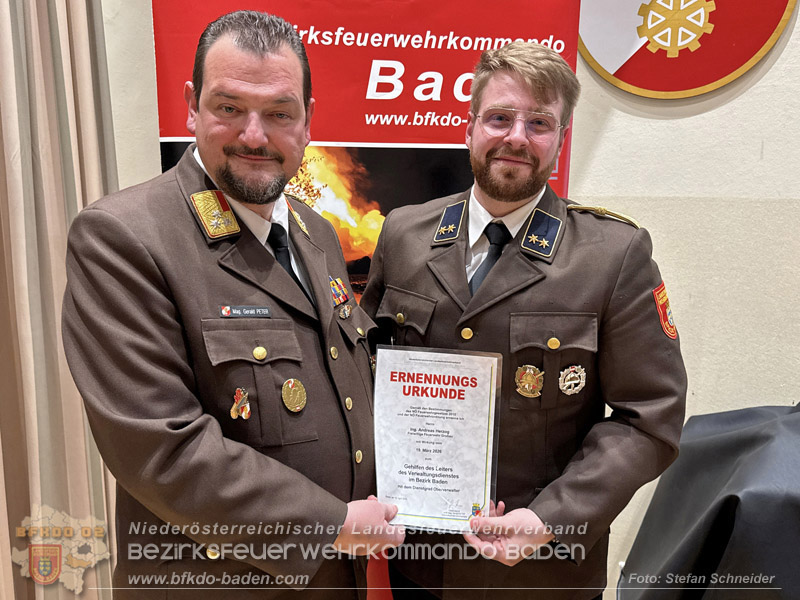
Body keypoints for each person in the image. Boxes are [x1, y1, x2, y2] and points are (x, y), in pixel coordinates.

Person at [62, 10, 402, 599]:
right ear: (192, 106)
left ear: (308, 121)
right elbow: (165, 449)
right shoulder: (124, 236)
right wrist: (333, 526)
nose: (254, 135)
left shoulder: (314, 232)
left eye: (278, 113)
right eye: (228, 108)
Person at [360, 41, 687, 600]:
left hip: (541, 574)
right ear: (469, 129)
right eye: (499, 118)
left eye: (539, 122)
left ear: (560, 140)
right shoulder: (404, 235)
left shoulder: (611, 256)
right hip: (420, 562)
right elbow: (362, 375)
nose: (516, 137)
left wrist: (552, 520)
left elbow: (649, 418)